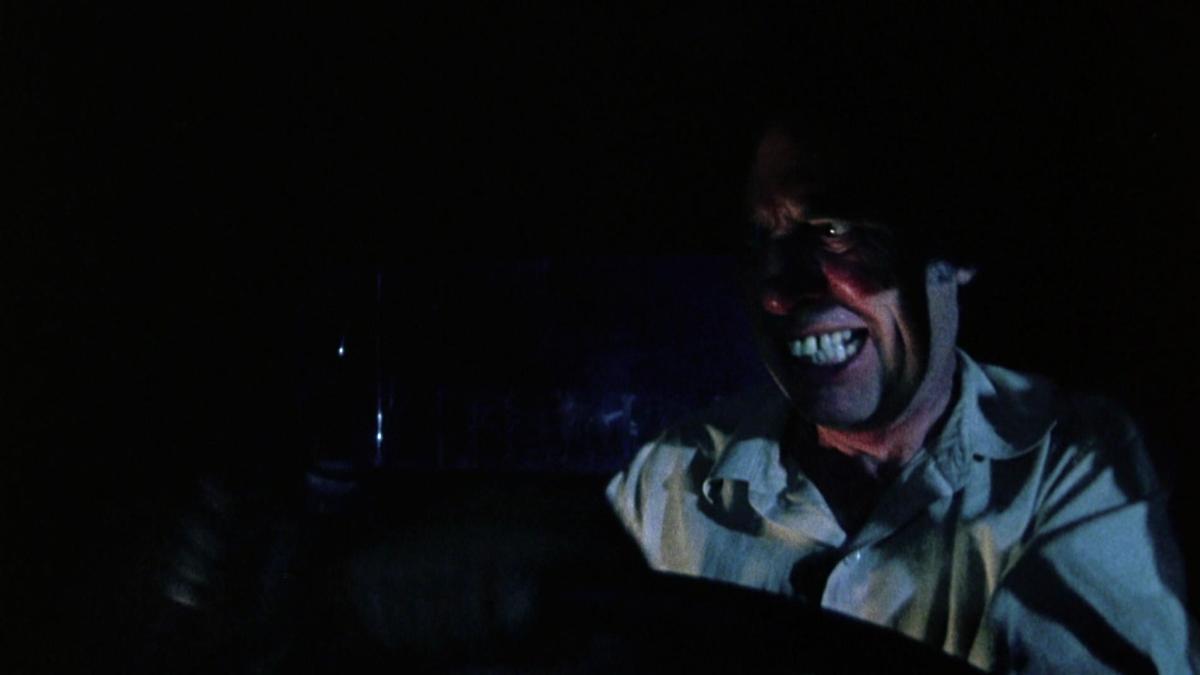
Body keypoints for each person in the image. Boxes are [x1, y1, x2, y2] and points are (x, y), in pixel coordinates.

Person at [606, 113, 1198, 672]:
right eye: (760, 243)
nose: (777, 294)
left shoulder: (1067, 467)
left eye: (834, 230)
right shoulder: (671, 478)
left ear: (955, 252)